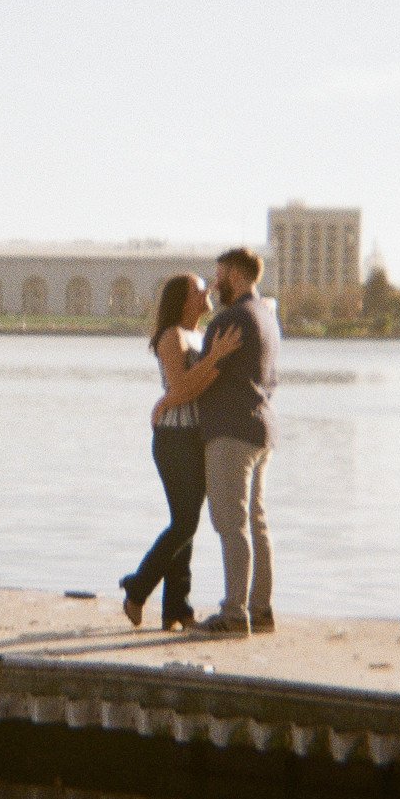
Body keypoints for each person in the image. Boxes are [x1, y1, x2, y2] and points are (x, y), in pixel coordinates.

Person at [152, 245, 277, 635]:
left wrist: (167, 400)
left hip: (230, 433)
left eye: (219, 275)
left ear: (236, 275)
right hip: (262, 429)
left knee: (231, 524)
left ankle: (234, 614)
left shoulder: (231, 319)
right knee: (256, 523)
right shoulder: (266, 315)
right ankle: (262, 610)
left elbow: (199, 382)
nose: (215, 283)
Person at [118, 272, 232, 629]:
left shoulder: (201, 335)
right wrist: (215, 359)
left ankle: (176, 609)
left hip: (196, 437)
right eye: (200, 290)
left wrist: (214, 359)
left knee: (187, 523)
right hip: (173, 439)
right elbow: (183, 387)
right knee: (185, 521)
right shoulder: (172, 336)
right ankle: (138, 588)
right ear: (183, 301)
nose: (208, 291)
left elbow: (200, 384)